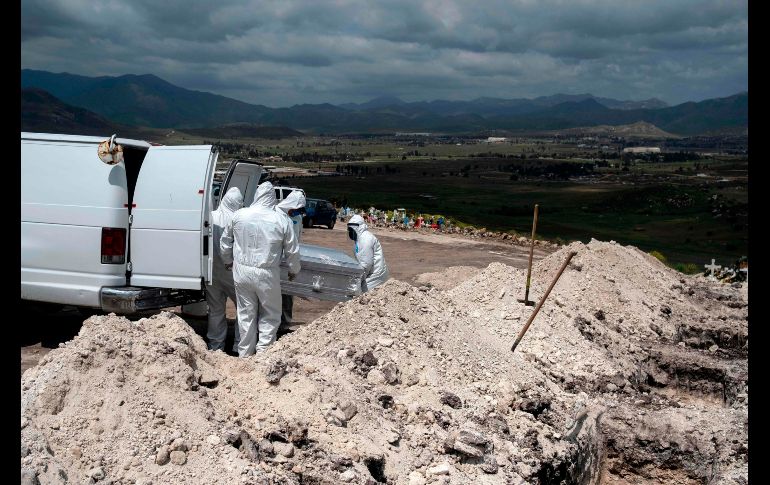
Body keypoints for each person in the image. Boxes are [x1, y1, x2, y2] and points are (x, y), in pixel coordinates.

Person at [221, 182, 300, 357]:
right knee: (270, 313)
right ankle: (264, 354)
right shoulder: (281, 219)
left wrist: (227, 260)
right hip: (266, 272)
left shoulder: (239, 215)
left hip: (241, 271)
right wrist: (294, 270)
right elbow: (292, 250)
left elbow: (225, 241)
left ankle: (245, 355)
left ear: (257, 196)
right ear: (272, 198)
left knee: (245, 314)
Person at [206, 187, 243, 353]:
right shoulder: (237, 220)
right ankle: (238, 346)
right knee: (243, 309)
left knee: (215, 310)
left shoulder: (210, 217)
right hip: (231, 271)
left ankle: (216, 347)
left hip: (211, 272)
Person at [275, 190, 306, 331]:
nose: (297, 213)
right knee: (273, 295)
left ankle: (285, 324)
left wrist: (295, 264)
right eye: (295, 210)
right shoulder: (275, 213)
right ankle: (272, 324)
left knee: (288, 294)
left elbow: (298, 240)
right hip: (274, 259)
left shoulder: (298, 218)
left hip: (289, 259)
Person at [347, 214, 389, 292]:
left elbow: (366, 264)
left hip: (375, 275)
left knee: (361, 295)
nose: (350, 232)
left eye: (351, 229)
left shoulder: (365, 239)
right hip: (371, 273)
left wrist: (357, 280)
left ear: (357, 228)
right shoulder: (359, 239)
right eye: (349, 229)